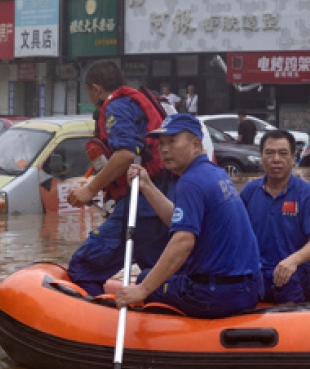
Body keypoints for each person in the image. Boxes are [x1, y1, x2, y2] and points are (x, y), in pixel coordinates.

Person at [115, 114, 262, 318]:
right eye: (162, 144)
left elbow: (183, 241)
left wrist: (143, 290)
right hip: (245, 288)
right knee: (158, 277)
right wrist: (147, 186)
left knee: (144, 279)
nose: (165, 149)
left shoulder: (190, 182)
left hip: (215, 295)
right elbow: (177, 220)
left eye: (173, 141)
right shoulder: (213, 172)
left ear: (195, 144)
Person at [65, 61, 170, 295]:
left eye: (89, 93)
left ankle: (90, 327)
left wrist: (89, 190)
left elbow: (125, 153)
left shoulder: (117, 107)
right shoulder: (132, 103)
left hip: (140, 203)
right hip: (157, 200)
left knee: (83, 267)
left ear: (96, 89)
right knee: (153, 271)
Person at [240, 130, 310, 304]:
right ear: (261, 156)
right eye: (269, 153)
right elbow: (236, 234)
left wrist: (293, 261)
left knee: (289, 287)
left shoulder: (306, 193)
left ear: (293, 157)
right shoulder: (249, 191)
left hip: (295, 274)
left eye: (283, 153)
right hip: (257, 273)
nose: (276, 159)